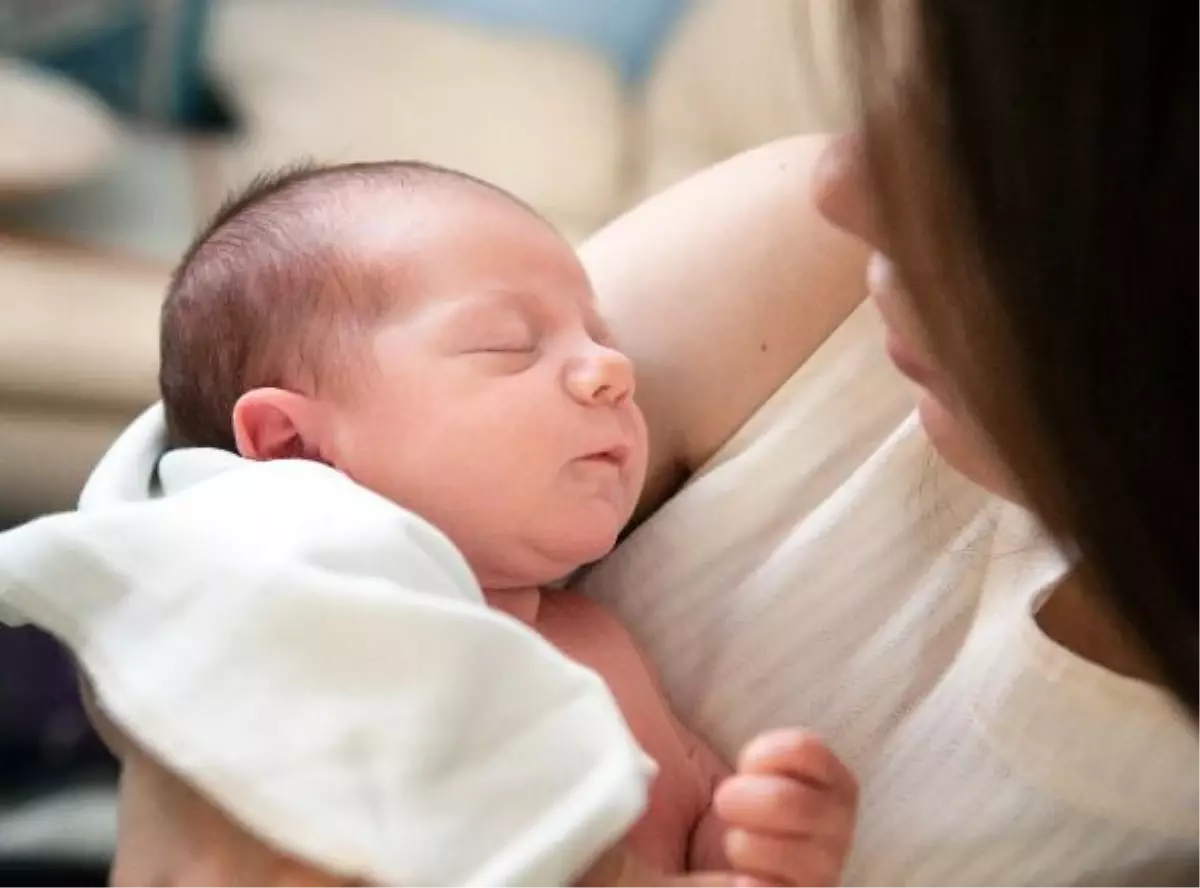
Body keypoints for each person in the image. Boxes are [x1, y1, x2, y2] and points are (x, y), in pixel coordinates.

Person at [84, 2, 1200, 885]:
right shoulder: (806, 273)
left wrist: (752, 842)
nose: (841, 180)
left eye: (983, 139)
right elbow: (179, 516)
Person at [149, 158, 856, 887]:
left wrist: (752, 836)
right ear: (297, 448)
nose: (612, 369)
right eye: (510, 345)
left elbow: (690, 809)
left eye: (599, 336)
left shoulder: (596, 638)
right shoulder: (342, 657)